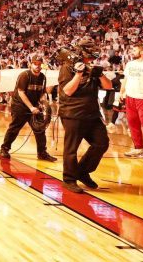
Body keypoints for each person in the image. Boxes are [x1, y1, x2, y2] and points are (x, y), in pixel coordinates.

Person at [57, 37, 111, 193]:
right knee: (71, 148)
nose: (93, 52)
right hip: (72, 113)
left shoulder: (92, 66)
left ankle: (82, 171)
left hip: (92, 114)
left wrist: (100, 74)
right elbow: (67, 91)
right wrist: (79, 73)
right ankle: (69, 179)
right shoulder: (68, 66)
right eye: (90, 49)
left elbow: (108, 87)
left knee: (102, 143)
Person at [0, 53, 57, 162]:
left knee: (40, 129)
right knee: (14, 128)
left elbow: (42, 93)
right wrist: (31, 107)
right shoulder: (25, 75)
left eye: (39, 64)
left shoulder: (42, 77)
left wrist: (44, 103)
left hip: (34, 106)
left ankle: (42, 153)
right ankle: (4, 148)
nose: (37, 66)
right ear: (31, 64)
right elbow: (21, 92)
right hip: (20, 106)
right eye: (35, 64)